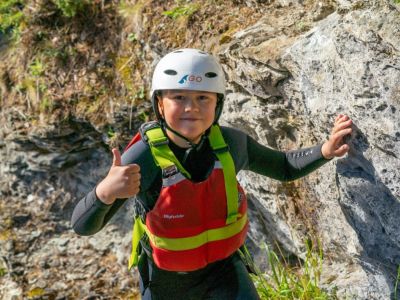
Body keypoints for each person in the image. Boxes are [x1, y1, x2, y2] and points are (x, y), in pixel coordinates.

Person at [71, 48, 352, 299]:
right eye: (178, 97)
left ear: (217, 104)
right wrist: (105, 192)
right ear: (160, 104)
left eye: (203, 97)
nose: (191, 107)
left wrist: (324, 151)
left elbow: (283, 167)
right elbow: (83, 226)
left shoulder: (232, 144)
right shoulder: (143, 157)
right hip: (167, 286)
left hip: (225, 272)